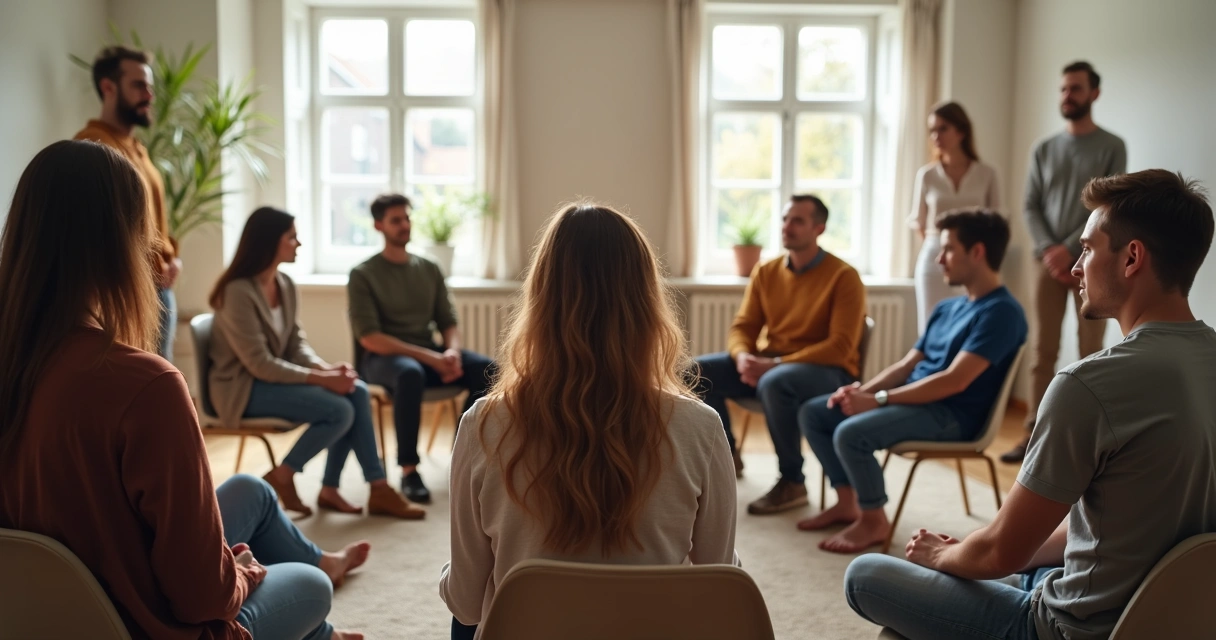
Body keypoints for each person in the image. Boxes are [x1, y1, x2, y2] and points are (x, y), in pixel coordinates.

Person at [0, 140, 364, 640]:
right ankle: (321, 626)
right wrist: (243, 574)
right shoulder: (146, 385)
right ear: (120, 245)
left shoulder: (16, 362)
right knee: (310, 586)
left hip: (48, 613)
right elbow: (202, 598)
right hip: (146, 626)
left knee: (251, 490)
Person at [844, 170, 1215, 640]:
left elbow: (1000, 552)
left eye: (1087, 248)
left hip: (1071, 630)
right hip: (1179, 620)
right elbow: (1115, 524)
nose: (1076, 267)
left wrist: (943, 555)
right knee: (1019, 569)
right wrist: (975, 553)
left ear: (1131, 258)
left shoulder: (1089, 385)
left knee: (865, 575)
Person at [440, 203, 738, 640]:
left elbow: (465, 604)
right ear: (647, 303)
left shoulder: (483, 424)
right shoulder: (701, 427)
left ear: (539, 300)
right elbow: (720, 586)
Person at [798, 209, 1026, 554]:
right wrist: (861, 391)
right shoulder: (947, 308)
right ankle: (848, 502)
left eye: (948, 249)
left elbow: (954, 381)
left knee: (851, 433)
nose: (939, 258)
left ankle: (874, 520)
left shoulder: (1002, 313)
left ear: (977, 252)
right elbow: (907, 365)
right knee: (816, 412)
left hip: (953, 415)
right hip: (918, 403)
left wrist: (877, 401)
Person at [209, 207, 423, 520]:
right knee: (340, 410)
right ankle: (284, 475)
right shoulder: (237, 292)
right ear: (269, 242)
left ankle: (347, 488)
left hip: (270, 380)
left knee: (356, 391)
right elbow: (259, 364)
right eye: (292, 237)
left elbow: (296, 345)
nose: (298, 243)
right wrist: (322, 379)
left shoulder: (284, 284)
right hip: (242, 390)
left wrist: (327, 370)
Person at [693, 194, 866, 509]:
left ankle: (792, 481)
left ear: (819, 228)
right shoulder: (766, 271)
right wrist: (742, 357)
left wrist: (775, 364)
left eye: (798, 220)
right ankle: (726, 456)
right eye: (785, 219)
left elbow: (840, 347)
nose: (787, 226)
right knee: (695, 372)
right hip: (771, 366)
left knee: (776, 382)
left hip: (828, 372)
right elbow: (743, 327)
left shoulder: (844, 276)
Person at [1003, 60, 1127, 463]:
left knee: (1091, 349)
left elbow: (1109, 205)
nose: (1067, 96)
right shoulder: (1043, 148)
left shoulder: (1112, 145)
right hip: (1046, 263)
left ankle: (1086, 440)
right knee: (1043, 350)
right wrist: (1050, 249)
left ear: (1094, 93)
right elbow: (1030, 204)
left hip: (1095, 260)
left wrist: (1071, 249)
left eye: (1075, 88)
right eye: (1063, 89)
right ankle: (1032, 436)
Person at [349, 194, 496, 503]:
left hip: (429, 356)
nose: (405, 225)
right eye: (396, 220)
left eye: (407, 218)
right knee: (410, 373)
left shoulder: (429, 268)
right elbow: (370, 338)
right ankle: (409, 470)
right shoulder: (363, 274)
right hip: (382, 360)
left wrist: (451, 353)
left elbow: (448, 321)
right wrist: (433, 358)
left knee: (490, 371)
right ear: (378, 226)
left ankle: (462, 454)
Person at [74, 45, 180, 361]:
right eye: (138, 85)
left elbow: (152, 218)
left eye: (150, 86)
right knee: (143, 382)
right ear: (108, 87)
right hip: (127, 293)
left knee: (160, 379)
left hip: (158, 289)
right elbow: (97, 228)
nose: (149, 95)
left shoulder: (136, 147)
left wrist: (172, 257)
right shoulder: (93, 146)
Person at [909, 102, 1001, 333]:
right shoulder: (927, 175)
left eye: (943, 128)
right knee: (931, 327)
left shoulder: (987, 174)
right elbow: (919, 222)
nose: (935, 136)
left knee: (971, 325)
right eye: (932, 130)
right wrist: (942, 249)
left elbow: (996, 222)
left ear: (961, 131)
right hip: (935, 256)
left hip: (974, 258)